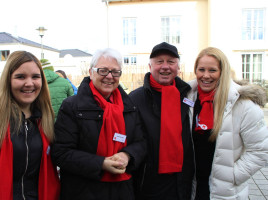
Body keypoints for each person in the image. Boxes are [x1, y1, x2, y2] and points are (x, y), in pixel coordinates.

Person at [51, 48, 146, 200]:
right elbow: (61, 153)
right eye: (103, 71)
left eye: (115, 72)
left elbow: (141, 143)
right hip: (84, 191)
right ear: (91, 72)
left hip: (122, 190)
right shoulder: (72, 106)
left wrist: (127, 155)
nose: (109, 76)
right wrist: (101, 163)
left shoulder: (129, 106)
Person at [0, 51, 60, 200]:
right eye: (20, 77)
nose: (29, 83)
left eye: (35, 77)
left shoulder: (45, 120)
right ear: (8, 80)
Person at [187, 47, 268, 199]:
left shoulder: (243, 104)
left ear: (222, 72)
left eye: (212, 70)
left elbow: (260, 151)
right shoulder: (187, 98)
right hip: (193, 188)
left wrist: (233, 176)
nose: (206, 75)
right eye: (201, 69)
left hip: (225, 190)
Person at [129, 42, 194, 200]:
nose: (165, 66)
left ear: (178, 67)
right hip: (149, 184)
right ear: (150, 66)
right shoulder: (134, 99)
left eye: (171, 62)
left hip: (182, 183)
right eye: (159, 61)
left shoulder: (188, 95)